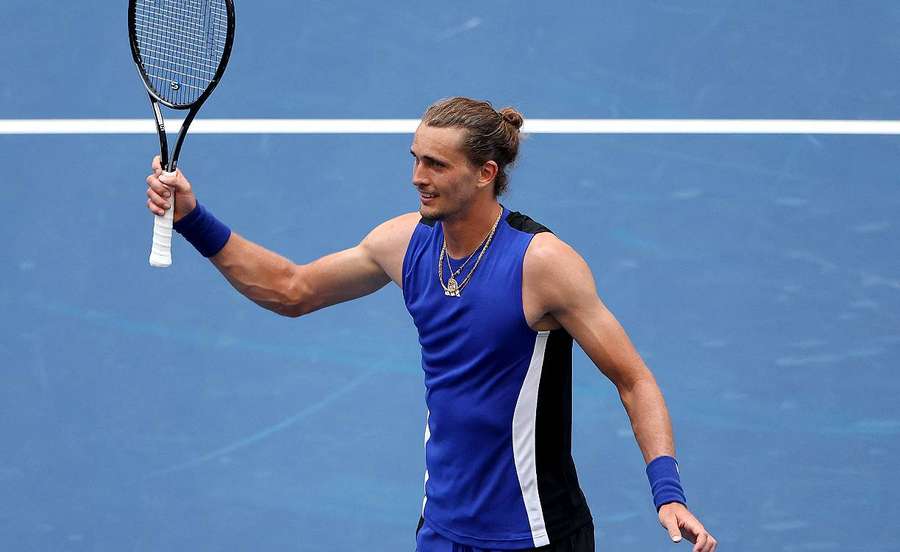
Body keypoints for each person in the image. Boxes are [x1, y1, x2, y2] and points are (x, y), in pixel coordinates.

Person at [145, 97, 717, 552]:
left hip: (535, 533)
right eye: (415, 158)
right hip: (442, 529)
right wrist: (194, 218)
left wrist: (667, 493)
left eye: (436, 164)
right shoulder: (402, 243)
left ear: (485, 173)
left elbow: (634, 380)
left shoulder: (542, 264)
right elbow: (292, 289)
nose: (418, 176)